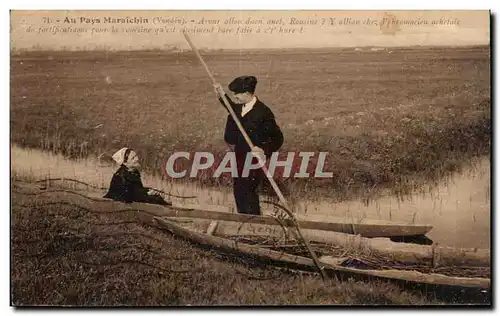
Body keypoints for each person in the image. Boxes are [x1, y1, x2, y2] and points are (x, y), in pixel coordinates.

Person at [214, 75, 284, 215]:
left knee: (248, 190)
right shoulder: (240, 108)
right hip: (239, 156)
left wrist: (263, 150)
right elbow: (231, 107)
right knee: (239, 190)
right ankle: (243, 220)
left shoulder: (263, 112)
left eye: (236, 94)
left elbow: (278, 138)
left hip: (254, 159)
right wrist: (222, 95)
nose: (235, 97)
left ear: (246, 94)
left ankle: (254, 222)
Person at [103, 147, 172, 206]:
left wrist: (150, 191)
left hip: (130, 202)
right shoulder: (120, 176)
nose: (137, 159)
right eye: (133, 158)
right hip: (118, 205)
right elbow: (127, 196)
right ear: (125, 163)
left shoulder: (134, 172)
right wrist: (147, 194)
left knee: (156, 197)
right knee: (155, 199)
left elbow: (137, 189)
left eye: (136, 156)